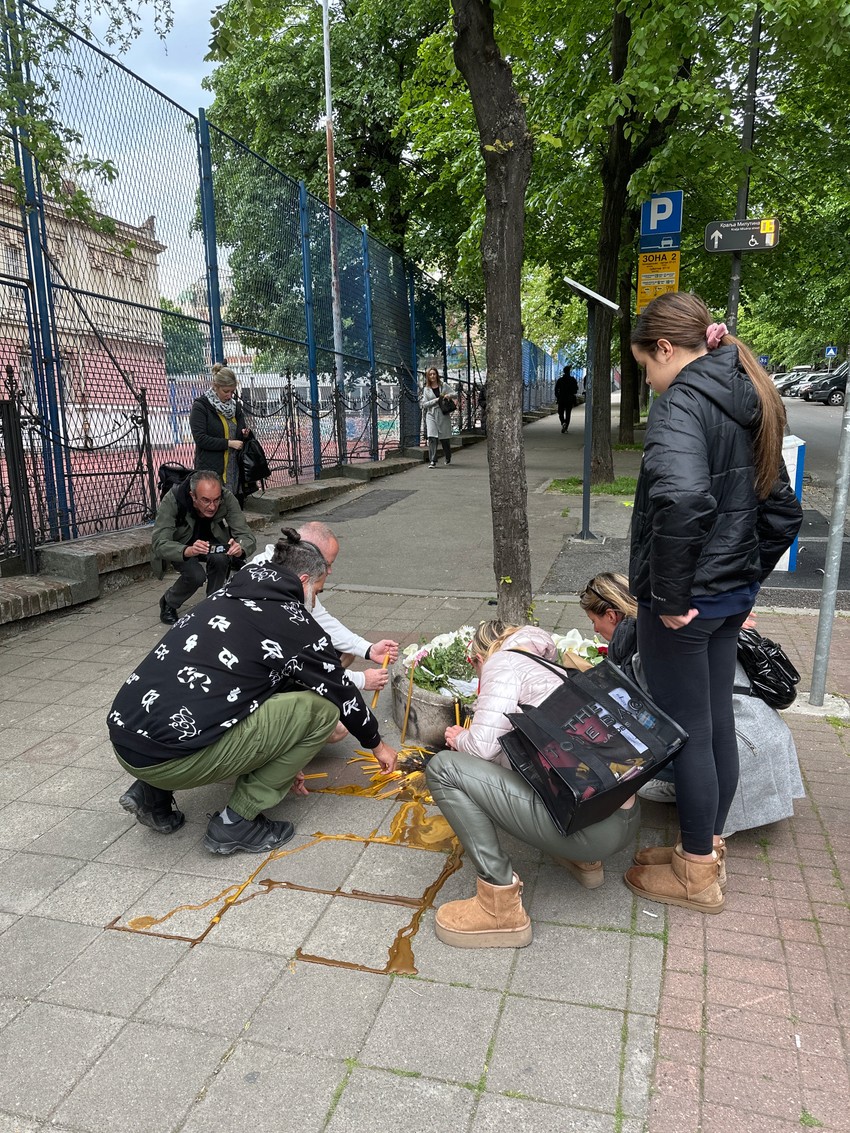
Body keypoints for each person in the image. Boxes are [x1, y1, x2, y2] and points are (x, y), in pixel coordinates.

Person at [623, 291, 803, 914]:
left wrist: (672, 597)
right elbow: (783, 510)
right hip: (724, 598)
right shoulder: (749, 395)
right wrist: (743, 581)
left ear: (667, 349)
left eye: (646, 365)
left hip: (687, 604)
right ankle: (708, 845)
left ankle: (696, 870)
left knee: (689, 733)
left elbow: (681, 499)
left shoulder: (683, 405)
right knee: (716, 720)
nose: (648, 379)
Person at [110, 530, 398, 855]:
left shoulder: (228, 595)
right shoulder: (291, 621)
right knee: (322, 711)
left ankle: (152, 798)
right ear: (304, 580)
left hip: (126, 740)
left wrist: (279, 754)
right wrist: (378, 745)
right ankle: (236, 823)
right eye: (318, 589)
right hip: (172, 758)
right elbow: (339, 691)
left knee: (207, 695)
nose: (316, 597)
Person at [425, 621, 640, 949]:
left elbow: (483, 747)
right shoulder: (544, 663)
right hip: (621, 818)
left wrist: (459, 737)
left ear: (477, 658)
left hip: (590, 830)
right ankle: (585, 862)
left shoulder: (502, 663)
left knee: (444, 769)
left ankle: (499, 906)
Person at [580, 573, 805, 832]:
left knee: (641, 743)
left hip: (742, 750)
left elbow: (648, 716)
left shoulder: (645, 643)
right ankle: (691, 791)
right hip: (761, 736)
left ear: (610, 615)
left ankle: (710, 825)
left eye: (593, 621)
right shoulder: (672, 623)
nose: (595, 630)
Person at [250, 521, 398, 692]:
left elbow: (319, 618)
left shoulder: (289, 572)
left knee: (342, 652)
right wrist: (360, 680)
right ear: (309, 556)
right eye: (327, 563)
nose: (330, 571)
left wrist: (368, 649)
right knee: (330, 714)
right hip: (251, 686)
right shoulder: (271, 594)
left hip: (266, 664)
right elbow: (302, 665)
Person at [152, 470, 257, 625]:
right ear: (193, 496)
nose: (212, 506)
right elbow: (159, 543)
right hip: (182, 545)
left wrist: (240, 548)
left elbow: (246, 536)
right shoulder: (173, 499)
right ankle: (169, 602)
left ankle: (213, 604)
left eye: (216, 500)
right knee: (196, 575)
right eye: (206, 500)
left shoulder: (226, 497)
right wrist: (187, 551)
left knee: (221, 559)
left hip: (211, 542)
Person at [189, 363, 250, 500]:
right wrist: (228, 443)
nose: (229, 395)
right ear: (215, 387)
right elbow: (201, 439)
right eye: (225, 391)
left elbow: (239, 433)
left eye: (232, 392)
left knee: (234, 507)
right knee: (214, 508)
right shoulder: (201, 406)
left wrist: (244, 434)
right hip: (212, 469)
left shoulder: (236, 407)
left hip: (234, 469)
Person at [420, 366, 455, 468]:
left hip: (443, 414)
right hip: (431, 414)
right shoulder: (426, 389)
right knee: (432, 437)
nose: (432, 376)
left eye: (434, 374)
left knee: (444, 438)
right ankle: (433, 461)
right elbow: (424, 404)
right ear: (428, 376)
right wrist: (435, 400)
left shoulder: (443, 385)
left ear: (437, 375)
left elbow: (455, 394)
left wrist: (449, 396)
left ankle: (448, 456)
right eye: (430, 374)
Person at [554, 365, 579, 433]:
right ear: (569, 372)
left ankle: (563, 422)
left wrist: (558, 396)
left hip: (561, 399)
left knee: (560, 412)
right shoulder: (572, 380)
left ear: (564, 372)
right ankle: (566, 426)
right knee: (568, 413)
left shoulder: (560, 380)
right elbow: (576, 390)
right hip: (569, 399)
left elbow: (556, 389)